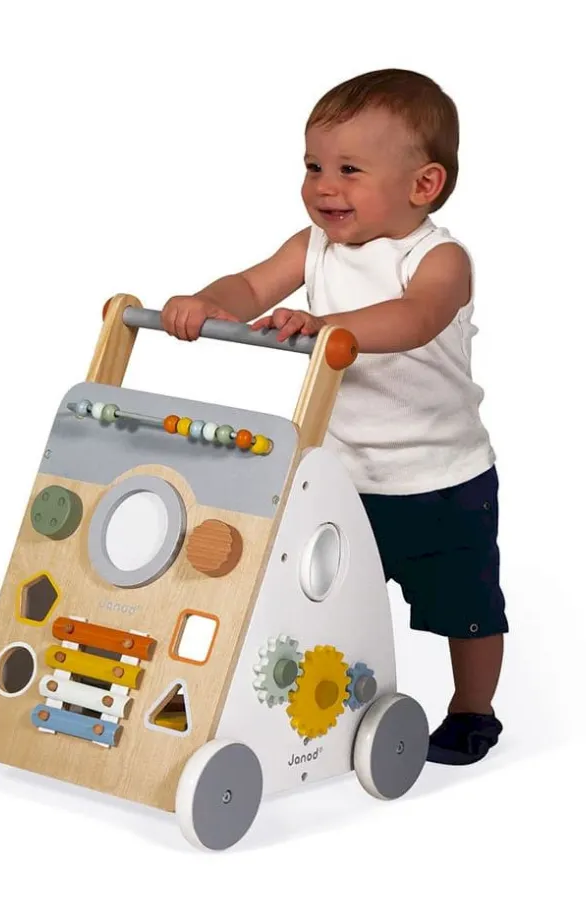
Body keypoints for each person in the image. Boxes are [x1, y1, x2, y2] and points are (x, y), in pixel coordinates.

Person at [160, 68, 506, 765]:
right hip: (342, 473)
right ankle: (326, 704)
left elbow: (414, 318)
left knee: (464, 608)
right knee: (325, 595)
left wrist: (327, 325)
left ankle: (473, 710)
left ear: (423, 185)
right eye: (313, 166)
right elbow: (250, 284)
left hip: (439, 477)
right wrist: (211, 302)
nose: (324, 186)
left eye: (349, 170)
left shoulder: (438, 259)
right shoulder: (312, 246)